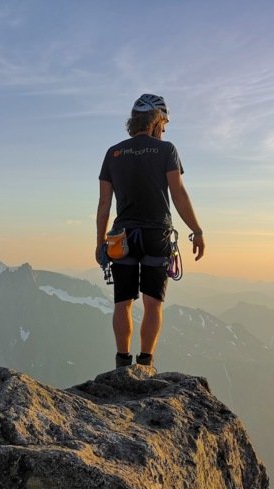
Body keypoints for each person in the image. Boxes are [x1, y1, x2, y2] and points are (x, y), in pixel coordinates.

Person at [96, 93, 205, 369]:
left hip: (122, 237)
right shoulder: (166, 150)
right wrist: (197, 230)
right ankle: (145, 364)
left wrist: (100, 243)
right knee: (153, 303)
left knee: (123, 302)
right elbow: (178, 193)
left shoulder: (113, 153)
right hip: (157, 235)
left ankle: (122, 363)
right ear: (156, 120)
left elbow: (104, 204)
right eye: (164, 123)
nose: (165, 129)